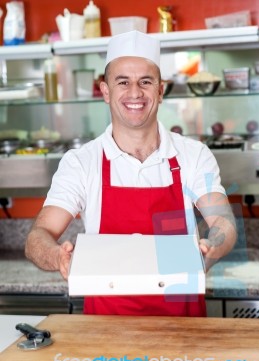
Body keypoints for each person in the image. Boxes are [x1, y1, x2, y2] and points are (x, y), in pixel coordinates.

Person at [25, 30, 237, 317]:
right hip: (107, 325)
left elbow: (223, 222)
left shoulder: (193, 155)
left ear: (160, 91)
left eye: (145, 82)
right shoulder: (81, 162)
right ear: (106, 91)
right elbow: (39, 235)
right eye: (123, 82)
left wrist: (214, 245)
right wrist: (56, 257)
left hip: (183, 325)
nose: (135, 92)